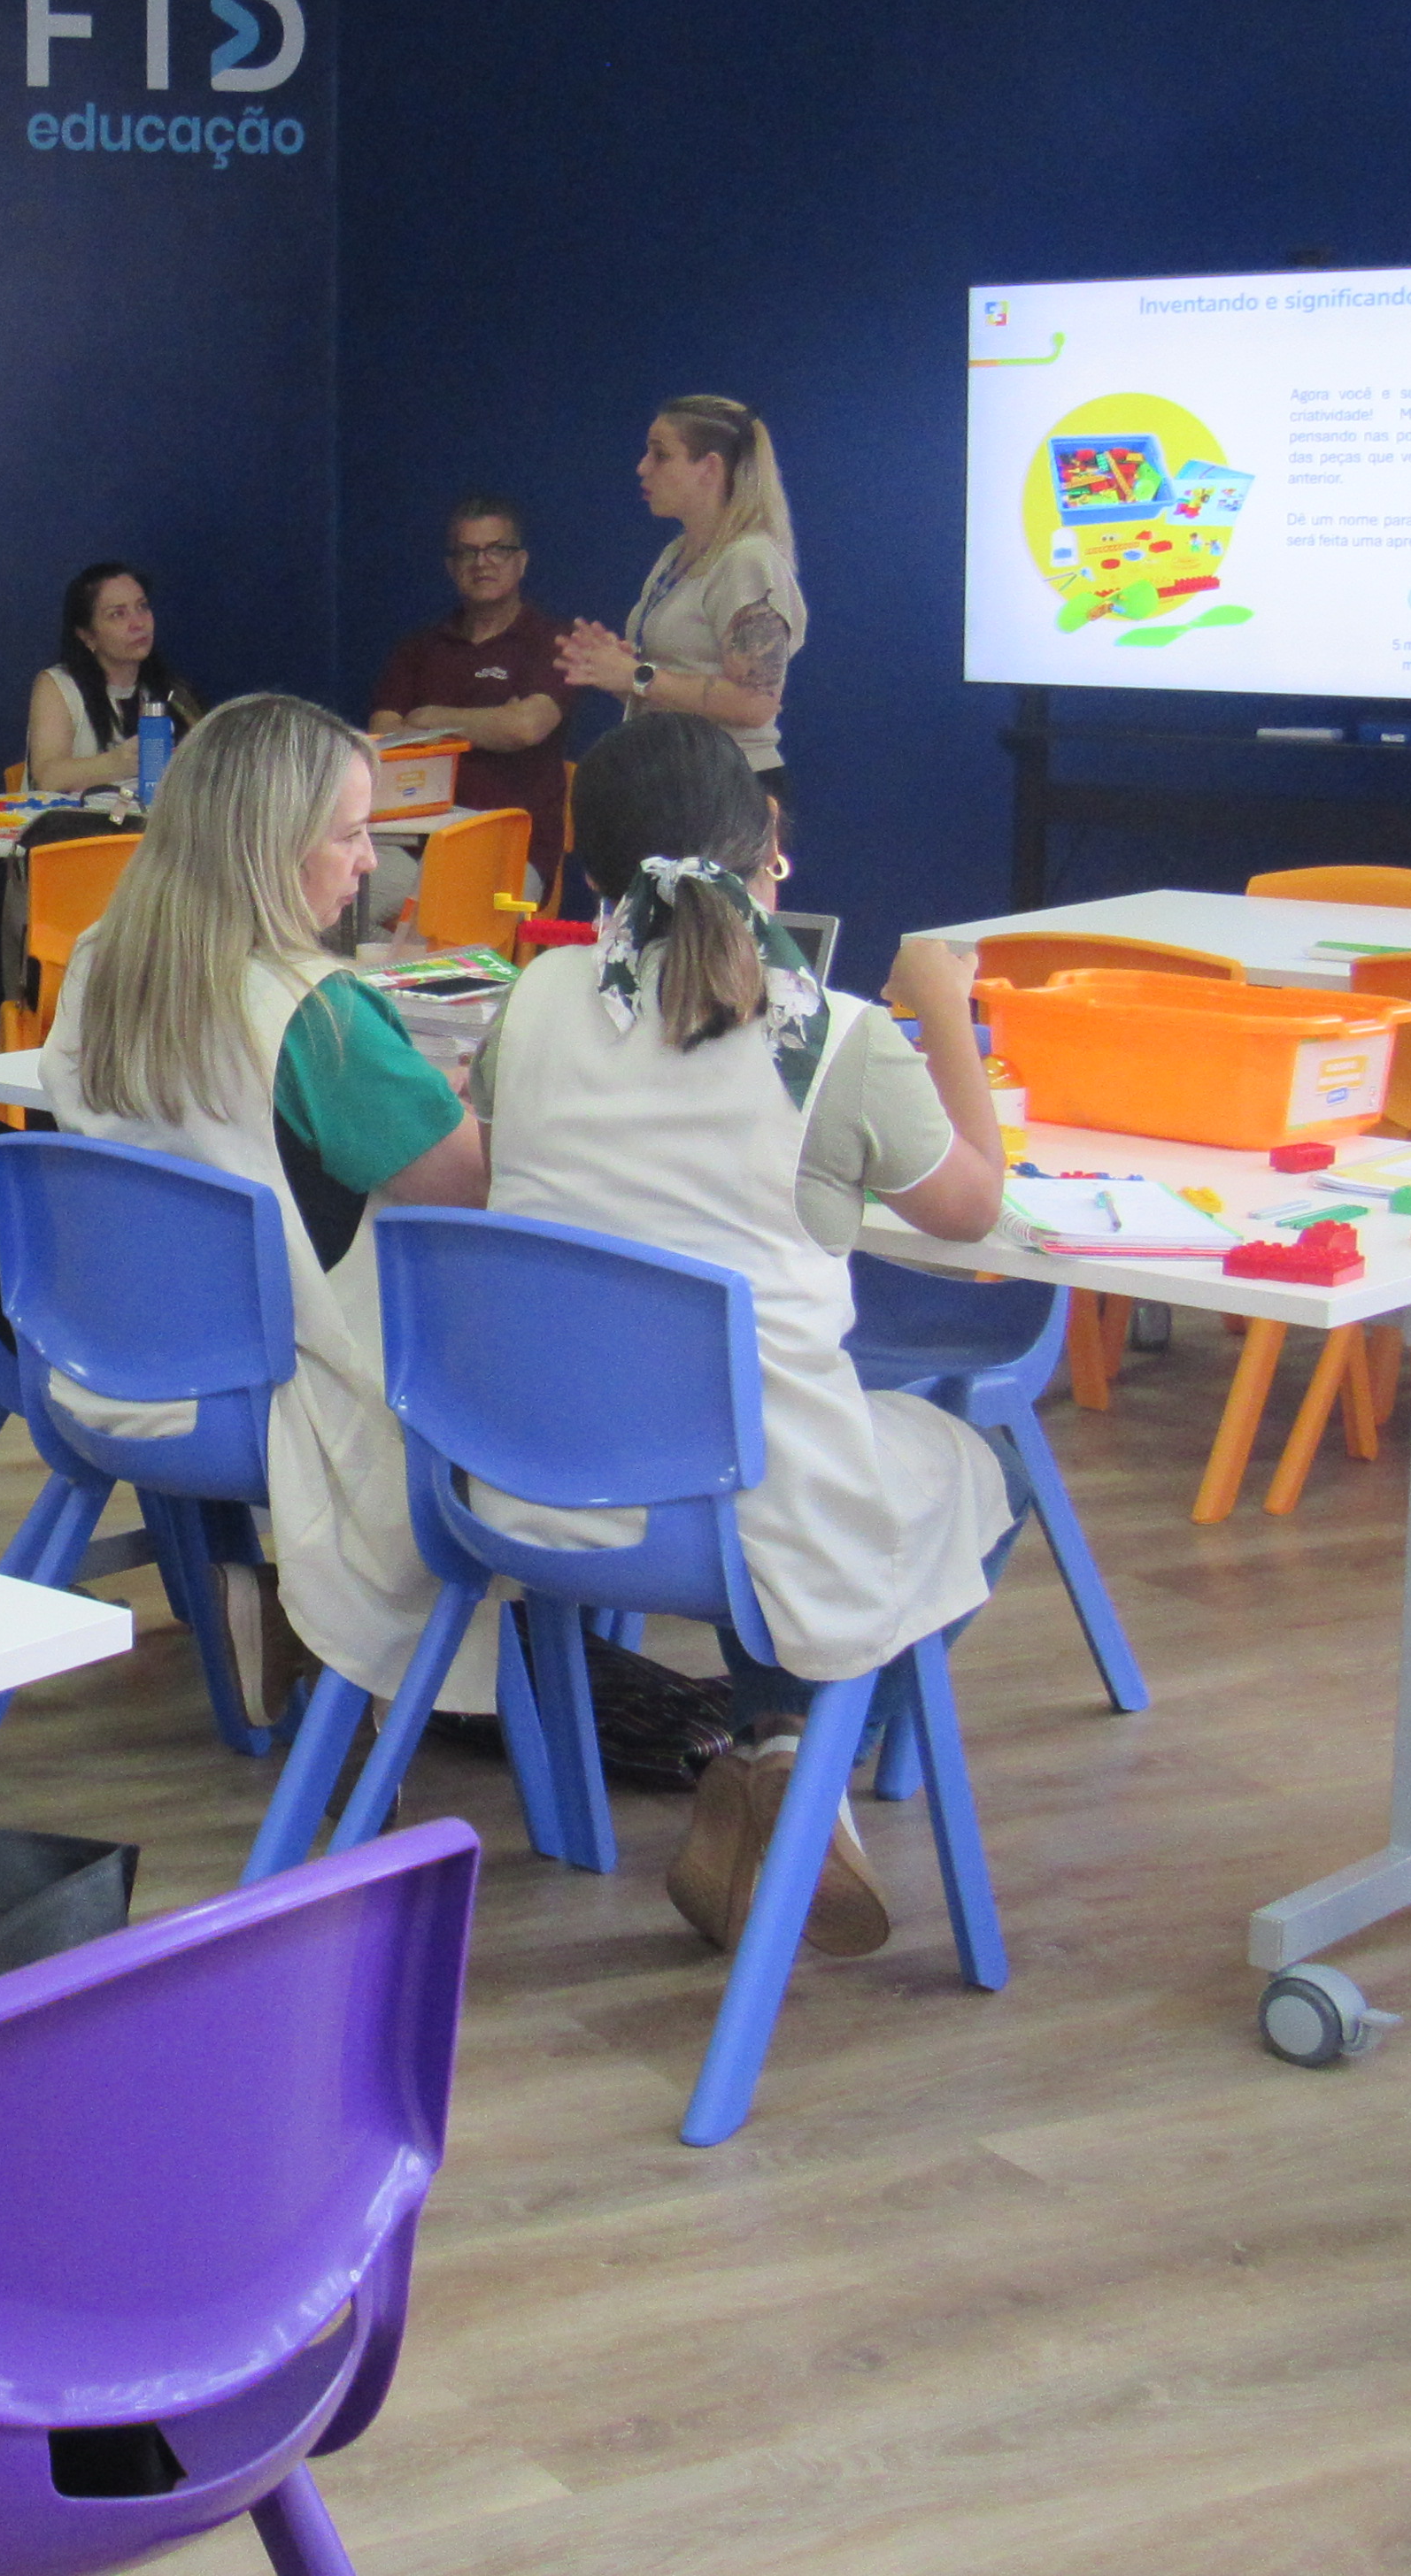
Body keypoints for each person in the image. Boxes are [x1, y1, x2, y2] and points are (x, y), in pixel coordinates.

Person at [459, 712, 1014, 1959]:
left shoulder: (536, 998)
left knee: (763, 1445)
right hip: (742, 1510)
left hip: (529, 1482)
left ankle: (771, 1760)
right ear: (768, 846)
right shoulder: (831, 1032)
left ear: (584, 861)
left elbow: (507, 1175)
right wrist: (943, 1005)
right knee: (986, 1469)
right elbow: (973, 1209)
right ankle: (795, 1763)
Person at [35, 694, 496, 1723]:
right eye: (351, 834)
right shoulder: (316, 1013)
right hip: (289, 1392)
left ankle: (289, 1623)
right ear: (271, 848)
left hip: (114, 1362)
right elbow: (467, 1185)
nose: (368, 862)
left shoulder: (102, 957)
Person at [555, 395, 806, 813]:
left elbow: (755, 703)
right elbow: (675, 684)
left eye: (660, 455)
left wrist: (638, 675)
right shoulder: (676, 554)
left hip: (727, 788)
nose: (642, 467)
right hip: (670, 777)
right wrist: (616, 672)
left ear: (709, 468)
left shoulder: (747, 559)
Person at [368, 496, 574, 885]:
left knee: (442, 907)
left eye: (497, 549)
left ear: (521, 562)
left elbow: (525, 727)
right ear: (451, 567)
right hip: (410, 844)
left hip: (509, 851)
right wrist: (491, 723)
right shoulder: (418, 649)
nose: (482, 562)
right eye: (468, 552)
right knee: (337, 892)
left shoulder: (554, 642)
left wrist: (427, 719)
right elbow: (384, 737)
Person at [23, 560, 206, 795]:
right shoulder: (57, 685)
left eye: (142, 607)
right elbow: (47, 778)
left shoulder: (173, 691)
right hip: (74, 818)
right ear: (87, 635)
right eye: (118, 614)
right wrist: (118, 762)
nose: (138, 623)